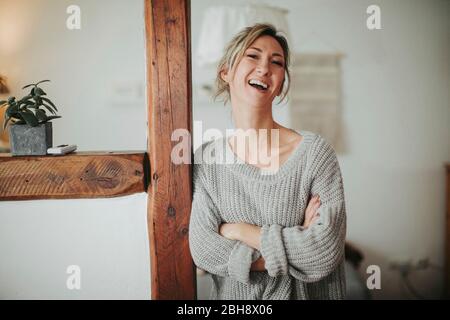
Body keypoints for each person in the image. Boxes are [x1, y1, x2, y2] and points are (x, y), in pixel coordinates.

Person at [189, 23, 346, 299]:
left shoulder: (315, 154)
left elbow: (323, 253)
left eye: (277, 63)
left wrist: (236, 230)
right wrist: (294, 246)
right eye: (253, 56)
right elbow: (205, 251)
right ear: (226, 72)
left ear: (280, 83)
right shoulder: (206, 161)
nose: (264, 68)